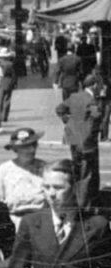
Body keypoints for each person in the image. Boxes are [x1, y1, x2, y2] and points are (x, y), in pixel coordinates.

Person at [0, 128, 47, 230]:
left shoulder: (45, 169)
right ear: (15, 149)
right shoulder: (2, 172)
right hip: (14, 225)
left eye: (34, 145)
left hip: (41, 224)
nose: (31, 150)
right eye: (25, 146)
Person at [56, 74, 102, 209]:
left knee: (77, 171)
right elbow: (96, 117)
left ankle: (78, 201)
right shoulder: (91, 101)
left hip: (73, 140)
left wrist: (68, 121)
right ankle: (83, 206)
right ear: (94, 85)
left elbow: (59, 109)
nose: (100, 88)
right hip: (87, 143)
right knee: (87, 175)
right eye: (99, 85)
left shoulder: (75, 96)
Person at [0, 48, 17, 135]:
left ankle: (0, 120)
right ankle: (1, 119)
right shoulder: (10, 64)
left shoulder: (4, 65)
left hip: (3, 85)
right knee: (4, 101)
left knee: (0, 103)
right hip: (7, 85)